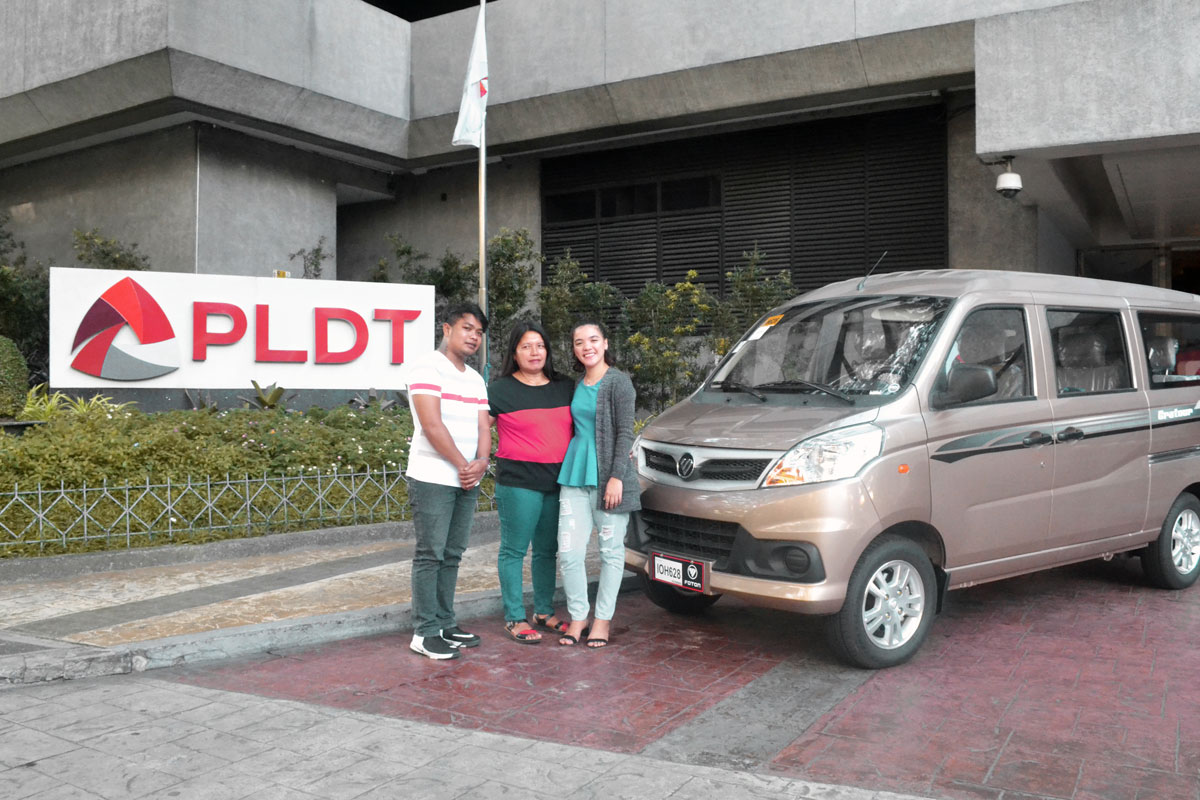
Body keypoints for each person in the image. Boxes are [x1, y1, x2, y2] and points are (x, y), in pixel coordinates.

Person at [403, 303, 491, 660]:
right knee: (430, 554)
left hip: (467, 479)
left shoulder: (474, 377)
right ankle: (424, 632)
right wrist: (463, 465)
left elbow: (484, 425)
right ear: (447, 329)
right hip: (433, 477)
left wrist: (481, 463)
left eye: (479, 332)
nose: (473, 336)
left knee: (453, 554)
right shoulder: (426, 367)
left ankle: (444, 622)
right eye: (467, 328)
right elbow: (431, 424)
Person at [488, 321, 575, 644]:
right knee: (514, 549)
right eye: (526, 346)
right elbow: (482, 429)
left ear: (547, 350)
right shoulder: (500, 390)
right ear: (515, 353)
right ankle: (514, 617)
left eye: (539, 345)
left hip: (557, 481)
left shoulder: (565, 386)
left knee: (546, 550)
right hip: (519, 482)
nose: (534, 352)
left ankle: (543, 611)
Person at [556, 320, 640, 648]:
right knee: (570, 553)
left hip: (609, 480)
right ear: (574, 349)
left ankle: (602, 620)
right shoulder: (576, 384)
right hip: (575, 476)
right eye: (579, 342)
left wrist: (617, 476)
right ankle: (579, 616)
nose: (586, 346)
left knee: (610, 552)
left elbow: (625, 432)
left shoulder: (619, 382)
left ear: (605, 343)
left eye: (593, 339)